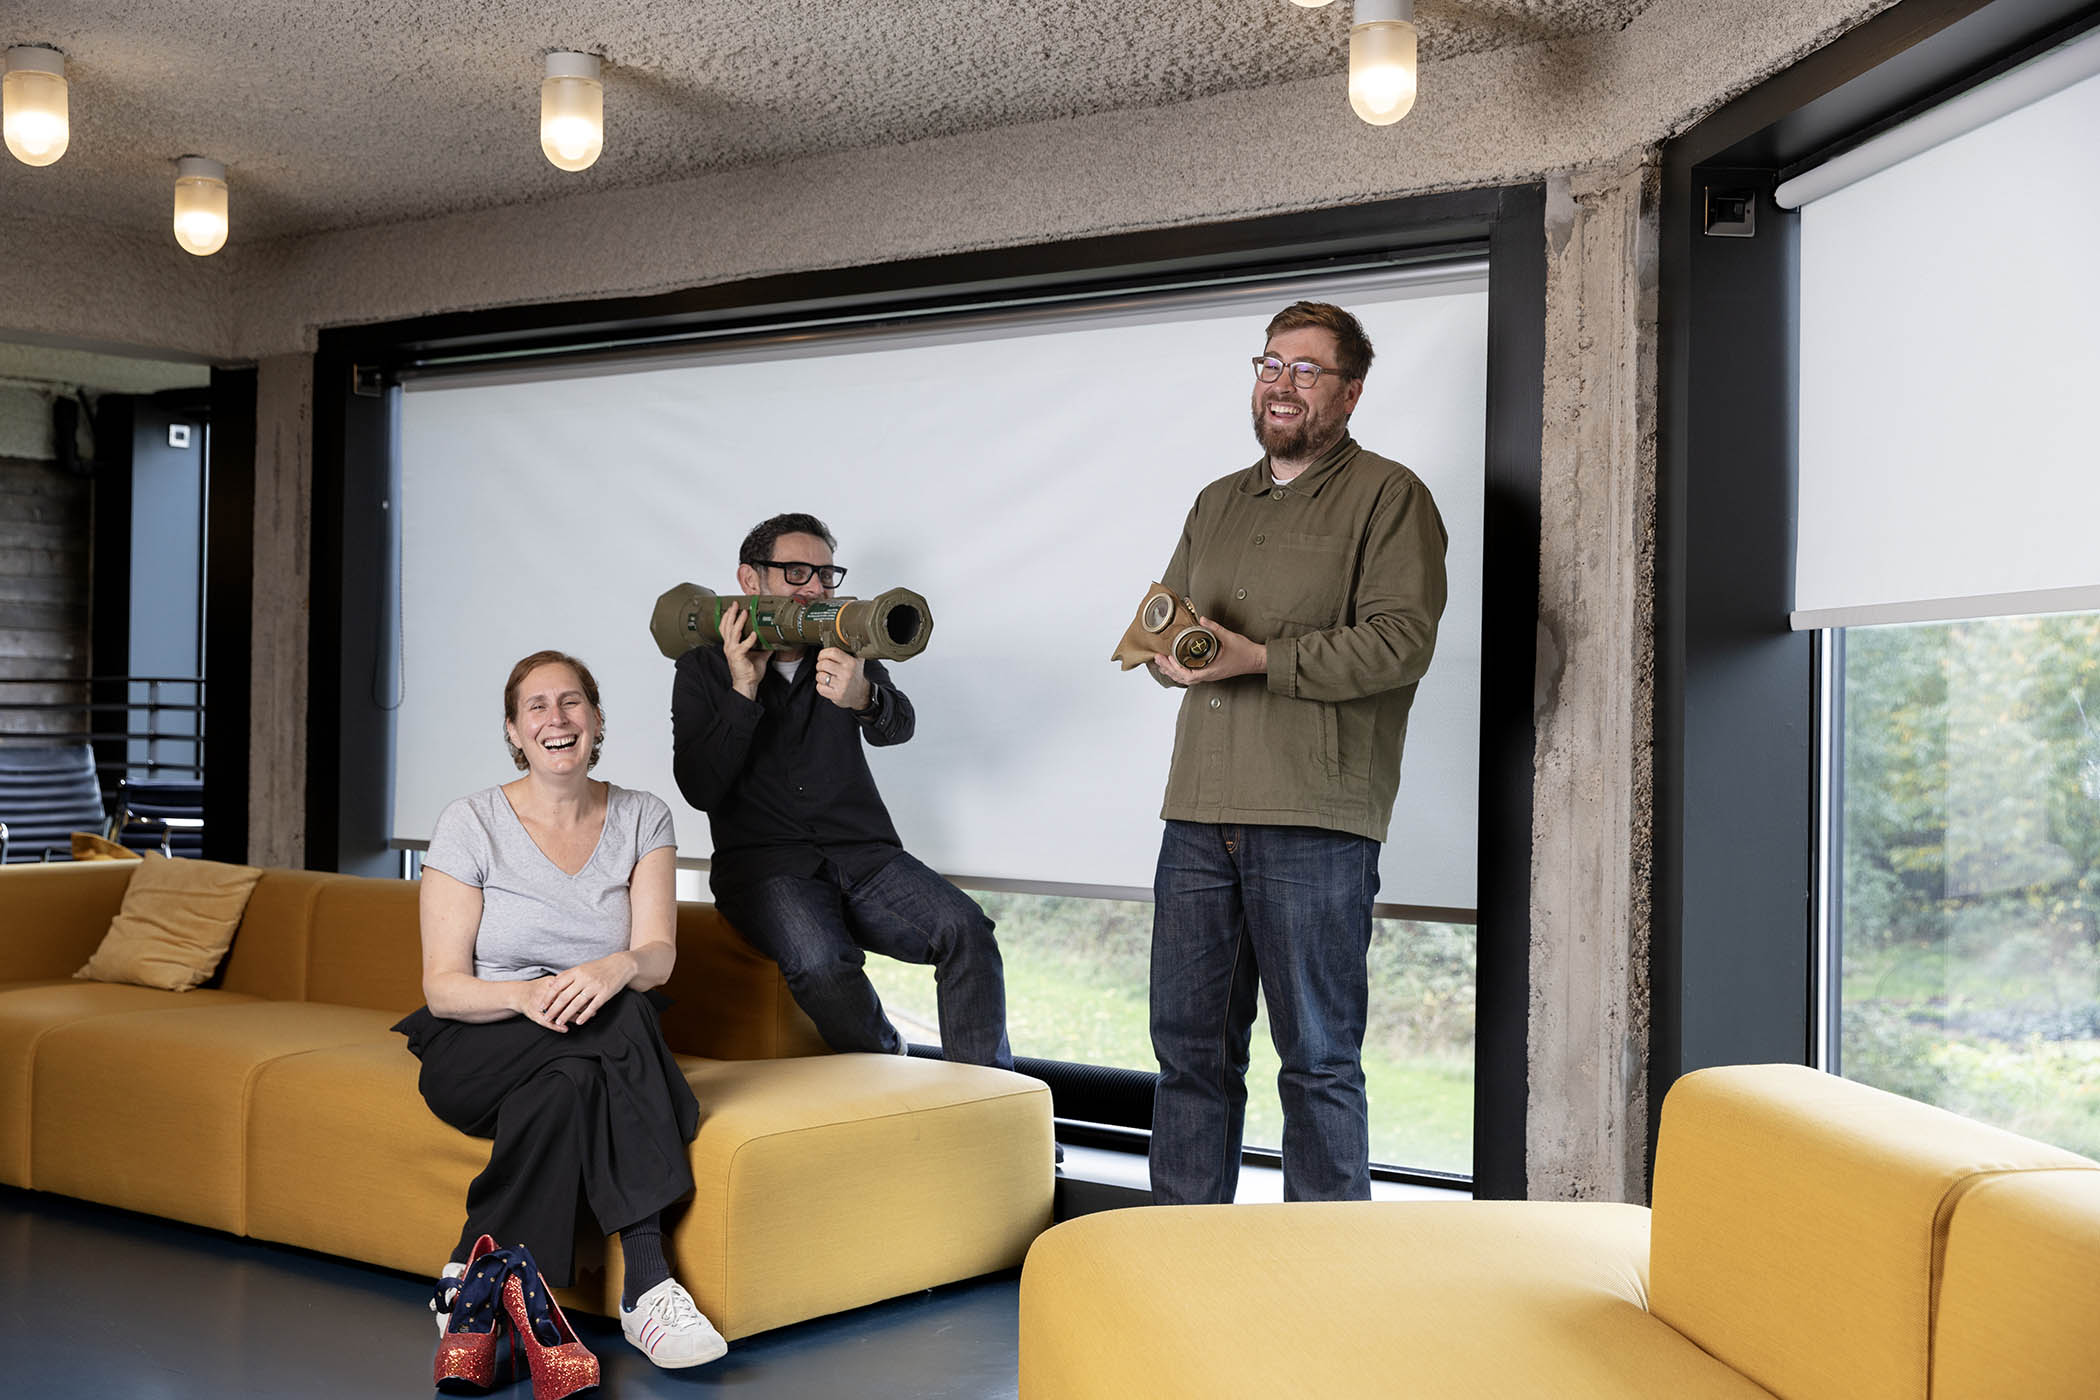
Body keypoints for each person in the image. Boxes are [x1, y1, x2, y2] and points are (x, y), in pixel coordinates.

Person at [1143, 301, 1448, 1205]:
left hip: (1314, 819)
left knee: (1317, 1060)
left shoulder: (1390, 496)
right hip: (1197, 813)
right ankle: (1176, 1252)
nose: (1283, 383)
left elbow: (1401, 643)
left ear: (1350, 393)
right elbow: (1168, 624)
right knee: (1189, 1054)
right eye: (1271, 364)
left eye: (1308, 369)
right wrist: (1166, 657)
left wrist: (1260, 659)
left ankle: (1326, 1265)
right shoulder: (1216, 501)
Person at [393, 649, 726, 1369]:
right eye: (536, 706)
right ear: (514, 731)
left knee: (582, 1066)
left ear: (597, 719)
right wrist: (527, 995)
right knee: (628, 1019)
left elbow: (657, 957)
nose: (557, 718)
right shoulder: (470, 822)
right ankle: (648, 1283)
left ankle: (473, 1276)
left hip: (584, 1042)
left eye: (572, 701)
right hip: (479, 1045)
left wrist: (618, 964)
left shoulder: (643, 816)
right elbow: (443, 988)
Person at [671, 512, 1012, 1070]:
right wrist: (742, 690)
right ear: (750, 579)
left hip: (862, 854)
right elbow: (699, 787)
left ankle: (986, 1100)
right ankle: (889, 1066)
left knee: (967, 930)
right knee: (822, 963)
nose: (814, 587)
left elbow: (898, 726)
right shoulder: (702, 667)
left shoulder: (845, 641)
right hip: (767, 870)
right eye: (797, 571)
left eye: (825, 574)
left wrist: (863, 697)